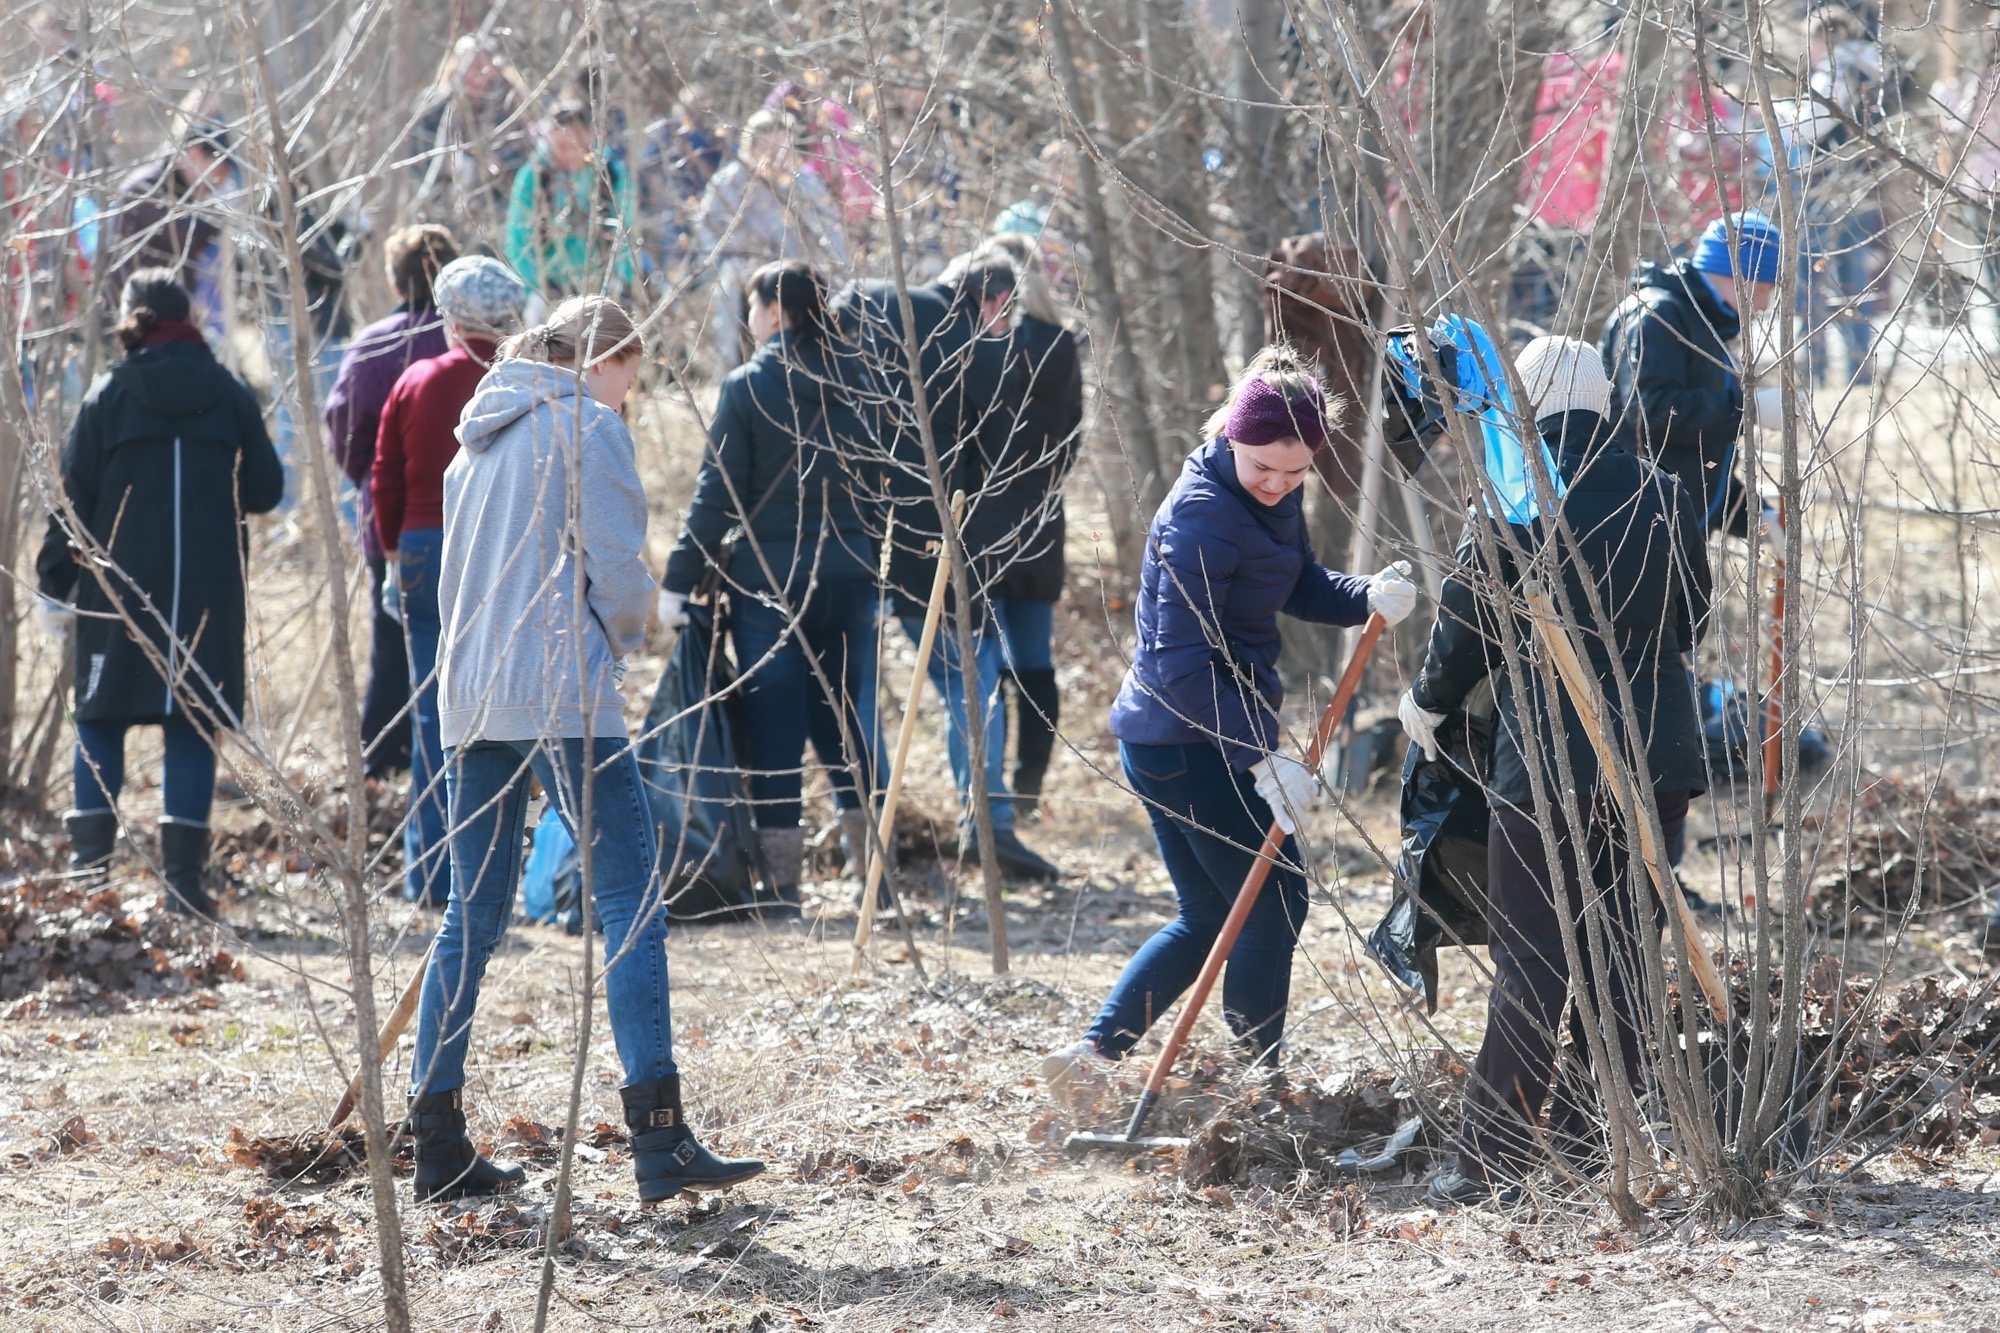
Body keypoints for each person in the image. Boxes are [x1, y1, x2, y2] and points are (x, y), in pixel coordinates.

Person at [409, 295, 762, 1204]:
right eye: (629, 376)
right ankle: (660, 1136)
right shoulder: (586, 427)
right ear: (601, 361)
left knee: (471, 916)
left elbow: (454, 584)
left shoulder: (474, 438)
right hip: (563, 689)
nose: (629, 396)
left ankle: (436, 1138)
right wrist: (635, 630)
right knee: (631, 900)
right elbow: (618, 575)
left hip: (475, 693)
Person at [1039, 348, 1419, 1102]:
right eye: (1263, 468)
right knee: (1275, 898)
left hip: (1186, 735)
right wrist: (1259, 758)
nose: (1278, 485)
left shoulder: (1263, 503)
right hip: (1186, 739)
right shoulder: (1201, 517)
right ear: (1232, 440)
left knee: (1212, 909)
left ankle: (1091, 1056)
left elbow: (1297, 582)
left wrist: (1365, 595)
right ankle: (1259, 1082)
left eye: (1295, 471)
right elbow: (1181, 665)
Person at [1402, 337, 1712, 1206]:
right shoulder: (1666, 492)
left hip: (1548, 764)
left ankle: (1485, 1159)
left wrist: (1428, 699)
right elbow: (1692, 611)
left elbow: (1466, 617)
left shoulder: (1517, 490)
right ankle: (1596, 1145)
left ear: (1526, 406)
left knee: (1535, 958)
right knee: (1620, 954)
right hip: (1658, 760)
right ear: (1607, 405)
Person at [35, 269, 284, 916]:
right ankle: (183, 888)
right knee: (193, 723)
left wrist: (53, 582)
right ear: (189, 320)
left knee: (98, 719)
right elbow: (265, 489)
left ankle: (90, 882)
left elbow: (72, 499)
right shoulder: (228, 393)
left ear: (130, 319)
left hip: (116, 589)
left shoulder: (106, 395)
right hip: (208, 592)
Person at [657, 260, 883, 916]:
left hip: (770, 589)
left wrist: (677, 581)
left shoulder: (748, 386)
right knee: (845, 724)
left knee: (776, 729)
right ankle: (876, 880)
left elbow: (716, 493)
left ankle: (784, 890)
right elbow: (881, 484)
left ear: (776, 312)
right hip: (848, 577)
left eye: (753, 308)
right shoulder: (861, 381)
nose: (749, 320)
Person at [832, 254, 1062, 882]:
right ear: (993, 302)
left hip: (852, 533)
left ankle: (876, 833)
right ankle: (987, 826)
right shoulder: (970, 346)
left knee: (853, 691)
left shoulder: (875, 302)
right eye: (1005, 314)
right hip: (935, 550)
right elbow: (998, 462)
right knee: (975, 684)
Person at [373, 255, 527, 908]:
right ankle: (494, 873)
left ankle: (431, 877)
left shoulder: (419, 380)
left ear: (453, 320)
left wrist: (389, 557)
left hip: (423, 545)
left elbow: (385, 477)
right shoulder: (529, 384)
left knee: (432, 712)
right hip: (502, 551)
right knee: (503, 709)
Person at [322, 223, 460, 778]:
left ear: (395, 279)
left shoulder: (377, 344)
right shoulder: (475, 342)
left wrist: (370, 478)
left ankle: (382, 762)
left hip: (393, 518)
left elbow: (343, 424)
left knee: (392, 643)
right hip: (473, 517)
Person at [968, 231, 1085, 818]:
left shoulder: (978, 347)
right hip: (1040, 517)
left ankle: (991, 797)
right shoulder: (1060, 345)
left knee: (986, 660)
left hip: (982, 524)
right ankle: (1027, 787)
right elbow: (1071, 443)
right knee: (1032, 658)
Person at [1600, 210, 1780, 540]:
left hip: (1676, 529)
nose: (1765, 304)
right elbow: (1648, 414)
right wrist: (1746, 408)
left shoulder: (1705, 326)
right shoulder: (1658, 315)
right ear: (1743, 277)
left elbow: (1698, 461)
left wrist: (1758, 518)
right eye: (1766, 287)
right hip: (1637, 531)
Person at [693, 109, 849, 374]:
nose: (776, 155)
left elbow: (831, 236)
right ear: (751, 147)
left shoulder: (806, 183)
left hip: (797, 271)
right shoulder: (730, 182)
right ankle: (727, 369)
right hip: (746, 270)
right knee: (728, 280)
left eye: (782, 147)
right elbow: (707, 233)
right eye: (768, 146)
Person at [503, 101, 637, 303]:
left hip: (603, 283)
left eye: (580, 147)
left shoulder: (612, 175)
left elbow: (626, 232)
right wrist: (535, 291)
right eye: (562, 147)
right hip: (550, 286)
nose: (572, 155)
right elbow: (518, 240)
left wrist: (623, 282)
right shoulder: (534, 177)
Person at [107, 122, 232, 300]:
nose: (219, 183)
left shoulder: (184, 190)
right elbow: (185, 234)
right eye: (218, 172)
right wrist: (223, 216)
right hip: (133, 308)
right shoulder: (146, 188)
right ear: (195, 155)